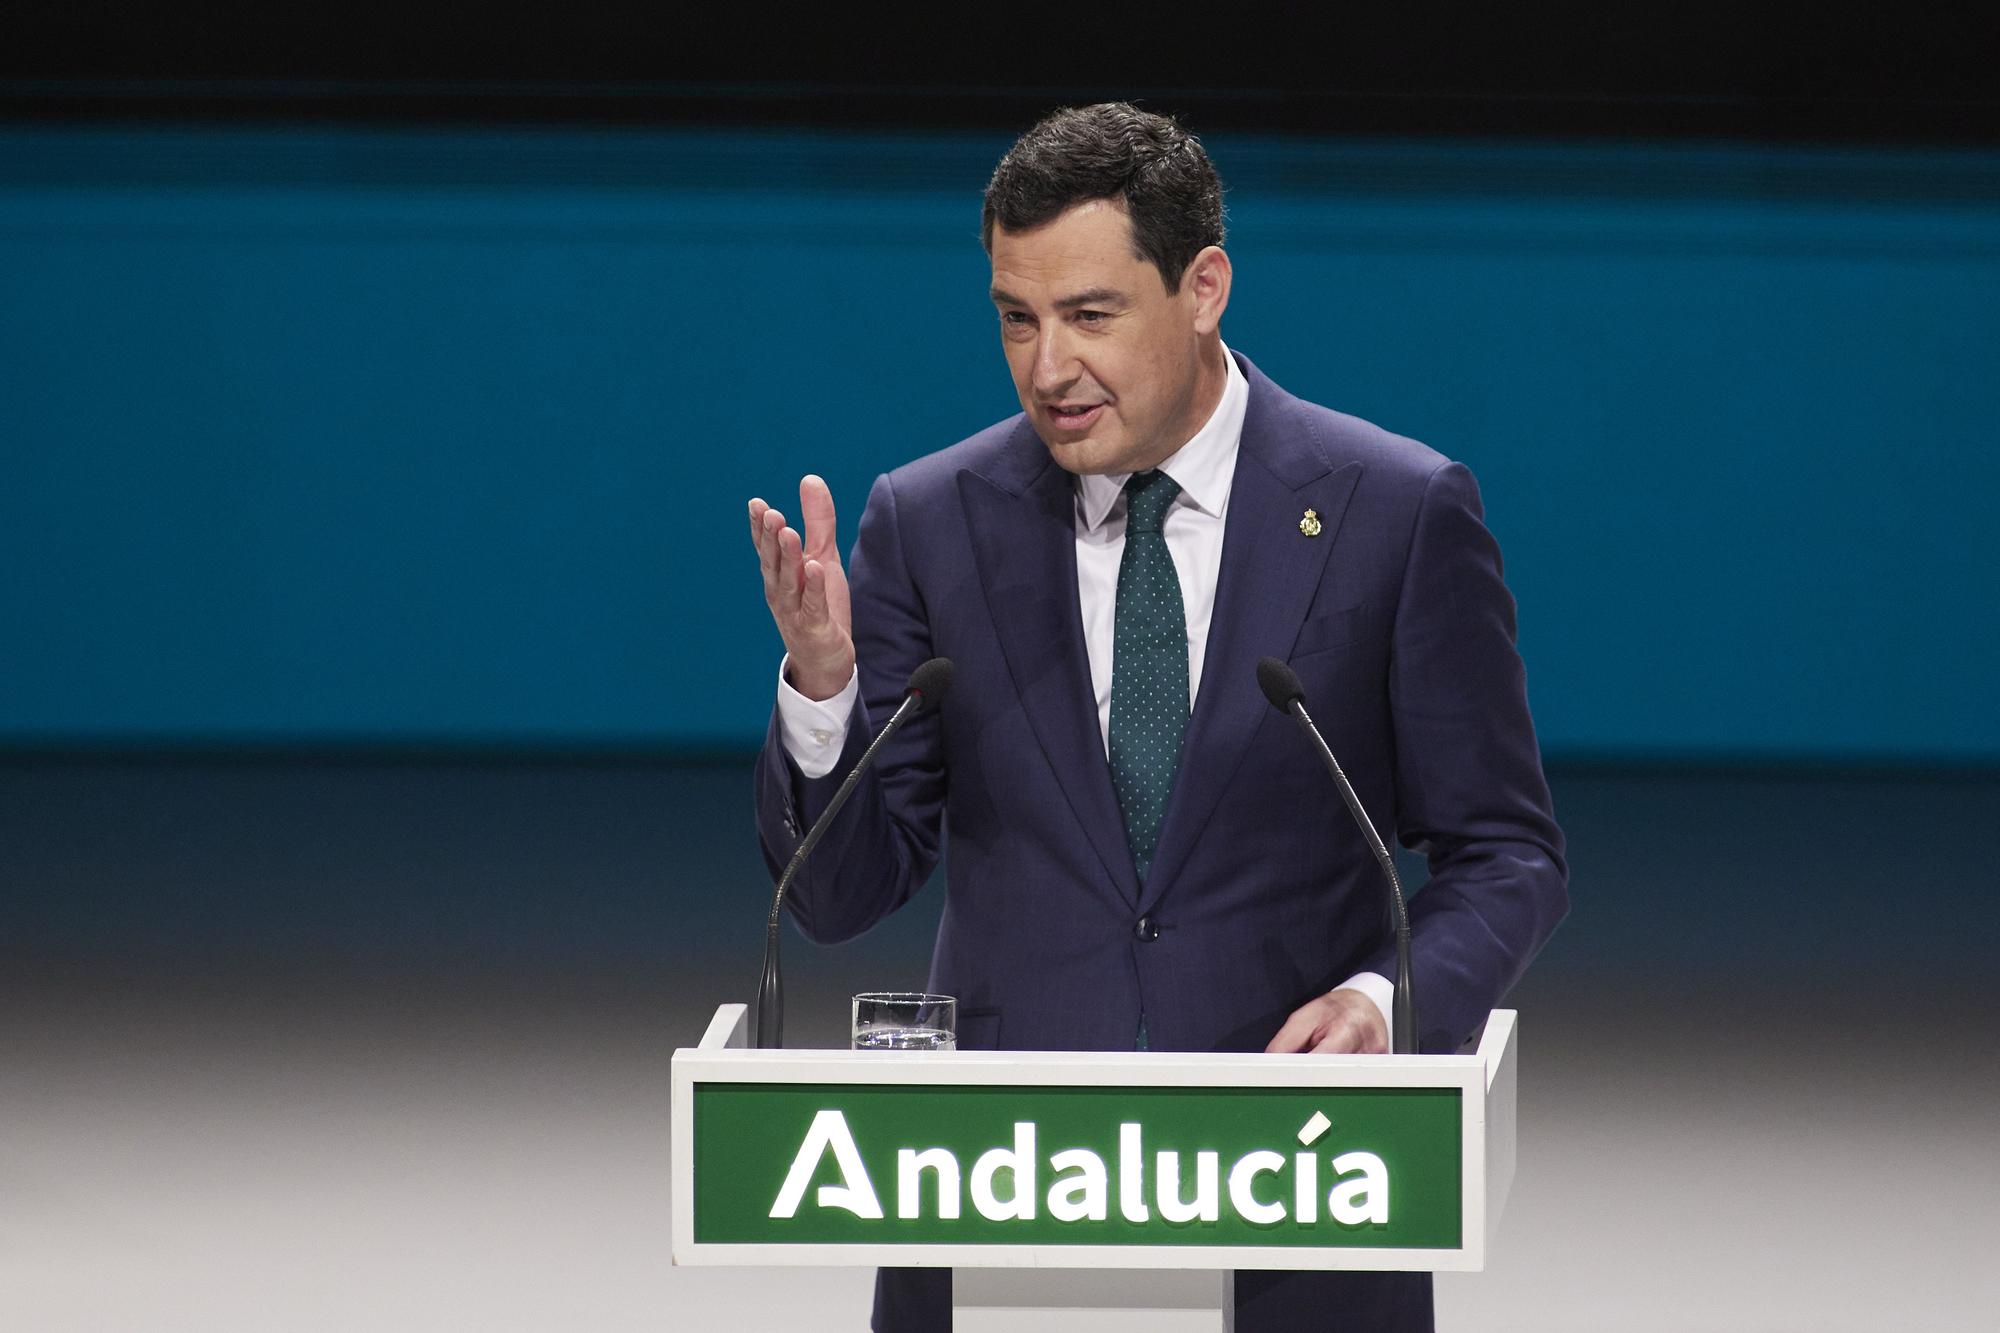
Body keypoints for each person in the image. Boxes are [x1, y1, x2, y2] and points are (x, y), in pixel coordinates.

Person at [747, 102, 1567, 1333]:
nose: (1045, 367)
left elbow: (1507, 853)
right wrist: (822, 686)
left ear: (1203, 286)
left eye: (1088, 315)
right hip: (996, 1192)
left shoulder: (1392, 510)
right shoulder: (928, 520)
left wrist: (1384, 1002)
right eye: (1015, 318)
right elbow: (838, 897)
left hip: (1296, 1190)